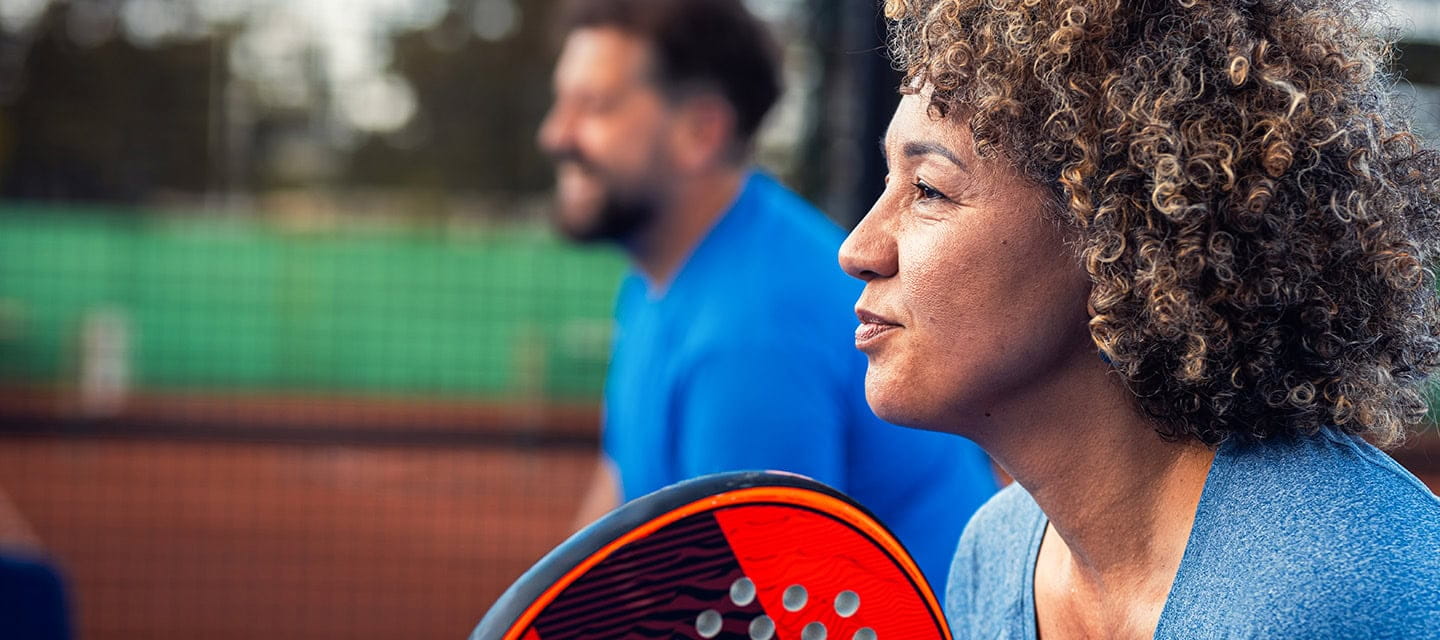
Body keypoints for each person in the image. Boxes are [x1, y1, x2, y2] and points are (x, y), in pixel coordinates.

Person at [840, 0, 1440, 636]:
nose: (858, 249)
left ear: (1116, 233)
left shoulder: (1339, 593)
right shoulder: (996, 552)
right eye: (887, 183)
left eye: (928, 189)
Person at [536, 0, 997, 589]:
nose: (555, 134)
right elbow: (620, 491)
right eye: (563, 102)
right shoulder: (664, 268)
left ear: (701, 131)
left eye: (594, 107)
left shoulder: (750, 336)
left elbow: (759, 605)